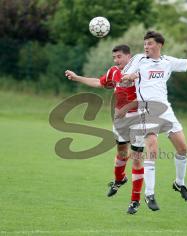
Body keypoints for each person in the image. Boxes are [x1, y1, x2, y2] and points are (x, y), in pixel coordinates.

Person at [122, 31, 187, 206]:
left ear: (159, 45)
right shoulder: (139, 60)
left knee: (183, 149)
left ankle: (179, 183)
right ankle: (149, 194)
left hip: (166, 111)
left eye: (150, 44)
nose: (146, 47)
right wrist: (129, 77)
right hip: (146, 110)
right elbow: (123, 77)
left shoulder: (167, 62)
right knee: (152, 147)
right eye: (145, 44)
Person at [65, 45, 147, 214]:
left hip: (139, 118)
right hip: (120, 119)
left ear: (128, 56)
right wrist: (76, 77)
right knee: (122, 153)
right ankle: (119, 179)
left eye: (119, 57)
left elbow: (152, 82)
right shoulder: (113, 71)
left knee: (137, 158)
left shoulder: (142, 69)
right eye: (114, 57)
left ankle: (135, 201)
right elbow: (98, 82)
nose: (116, 60)